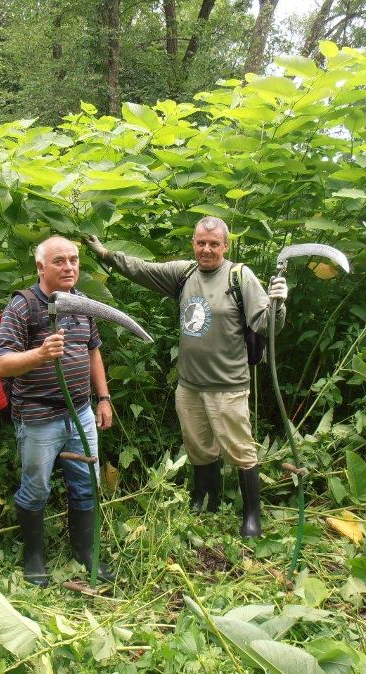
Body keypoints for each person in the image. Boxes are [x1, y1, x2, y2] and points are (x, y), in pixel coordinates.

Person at [85, 217, 287, 538]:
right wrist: (106, 254)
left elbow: (266, 326)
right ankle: (206, 501)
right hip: (189, 385)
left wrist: (277, 303)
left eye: (214, 244)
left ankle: (252, 516)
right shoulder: (185, 273)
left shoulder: (239, 277)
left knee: (239, 449)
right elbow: (143, 269)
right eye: (201, 243)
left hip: (228, 386)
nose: (206, 250)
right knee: (198, 448)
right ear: (193, 243)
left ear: (225, 246)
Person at [0, 236, 115, 587]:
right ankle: (34, 558)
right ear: (40, 267)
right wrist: (39, 355)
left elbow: (93, 352)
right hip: (38, 418)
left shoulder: (82, 304)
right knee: (35, 489)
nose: (69, 267)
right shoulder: (22, 307)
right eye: (59, 261)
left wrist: (103, 398)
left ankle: (86, 551)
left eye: (74, 260)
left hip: (80, 413)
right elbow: (2, 364)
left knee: (86, 484)